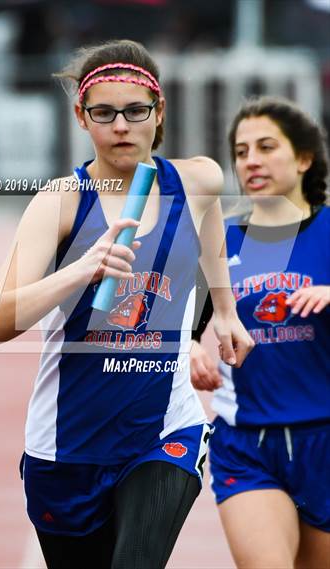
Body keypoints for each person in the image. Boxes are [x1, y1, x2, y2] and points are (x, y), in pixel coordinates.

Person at [0, 39, 253, 569]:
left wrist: (224, 310)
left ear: (159, 111)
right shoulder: (60, 202)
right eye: (104, 113)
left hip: (163, 433)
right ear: (82, 118)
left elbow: (211, 231)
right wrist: (82, 269)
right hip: (66, 447)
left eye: (135, 111)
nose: (121, 126)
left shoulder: (197, 180)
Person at [191, 95, 330, 569]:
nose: (251, 160)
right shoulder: (222, 242)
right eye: (241, 151)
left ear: (304, 158)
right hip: (247, 444)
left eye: (267, 147)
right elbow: (177, 325)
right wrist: (188, 349)